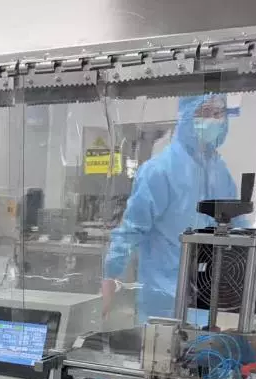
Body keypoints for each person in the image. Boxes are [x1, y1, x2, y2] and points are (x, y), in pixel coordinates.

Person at [102, 94, 241, 324]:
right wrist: (110, 275)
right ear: (186, 116)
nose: (213, 120)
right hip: (163, 301)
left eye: (218, 113)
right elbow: (131, 230)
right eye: (205, 112)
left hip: (204, 298)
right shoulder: (160, 170)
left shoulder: (218, 171)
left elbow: (237, 221)